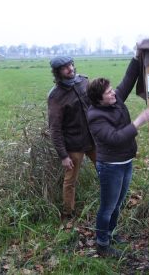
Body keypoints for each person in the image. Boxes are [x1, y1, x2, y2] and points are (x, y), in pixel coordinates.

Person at [86, 55, 149, 258]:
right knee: (107, 207)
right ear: (99, 99)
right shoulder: (95, 116)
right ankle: (102, 244)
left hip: (125, 162)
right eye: (108, 92)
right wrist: (140, 120)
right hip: (110, 166)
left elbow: (129, 79)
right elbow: (114, 138)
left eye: (111, 89)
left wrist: (136, 56)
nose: (113, 92)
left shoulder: (115, 100)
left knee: (119, 202)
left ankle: (111, 233)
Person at [48, 56, 96, 220]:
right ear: (57, 72)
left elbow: (95, 104)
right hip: (74, 145)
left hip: (94, 140)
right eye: (64, 67)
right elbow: (55, 129)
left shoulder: (83, 81)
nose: (70, 69)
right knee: (70, 181)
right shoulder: (56, 96)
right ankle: (68, 214)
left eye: (70, 65)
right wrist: (63, 155)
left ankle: (114, 200)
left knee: (107, 170)